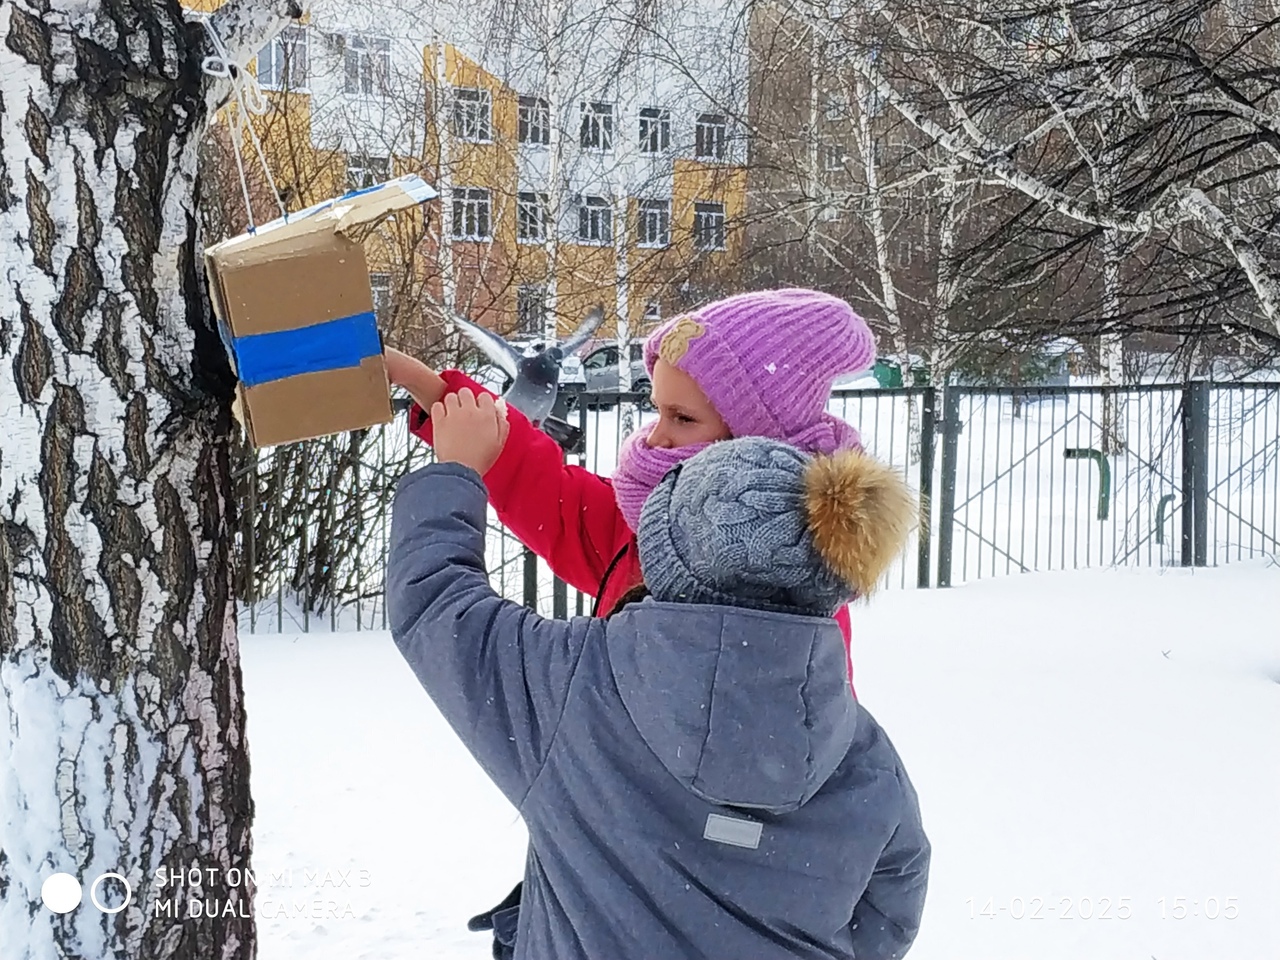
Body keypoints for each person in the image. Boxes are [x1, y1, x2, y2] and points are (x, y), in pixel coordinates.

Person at [384, 288, 881, 954]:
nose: (655, 436)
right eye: (656, 410)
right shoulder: (655, 528)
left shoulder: (784, 608)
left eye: (681, 418)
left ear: (757, 441)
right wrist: (434, 390)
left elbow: (776, 785)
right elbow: (557, 500)